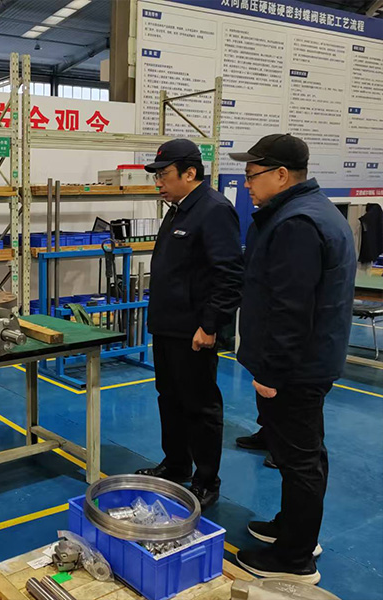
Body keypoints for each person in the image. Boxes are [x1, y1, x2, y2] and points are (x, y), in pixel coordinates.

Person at [229, 134, 355, 582]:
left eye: (252, 175)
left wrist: (272, 372)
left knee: (300, 459)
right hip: (307, 362)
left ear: (281, 175)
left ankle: (295, 558)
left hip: (295, 368)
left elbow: (291, 309)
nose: (247, 184)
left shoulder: (296, 224)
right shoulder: (308, 212)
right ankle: (293, 529)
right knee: (296, 452)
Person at [137, 139, 244, 510]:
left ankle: (206, 480)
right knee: (169, 398)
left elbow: (228, 275)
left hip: (194, 331)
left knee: (200, 406)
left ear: (190, 172)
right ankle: (176, 464)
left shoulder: (214, 210)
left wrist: (210, 325)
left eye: (164, 175)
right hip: (167, 326)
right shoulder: (179, 209)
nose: (158, 182)